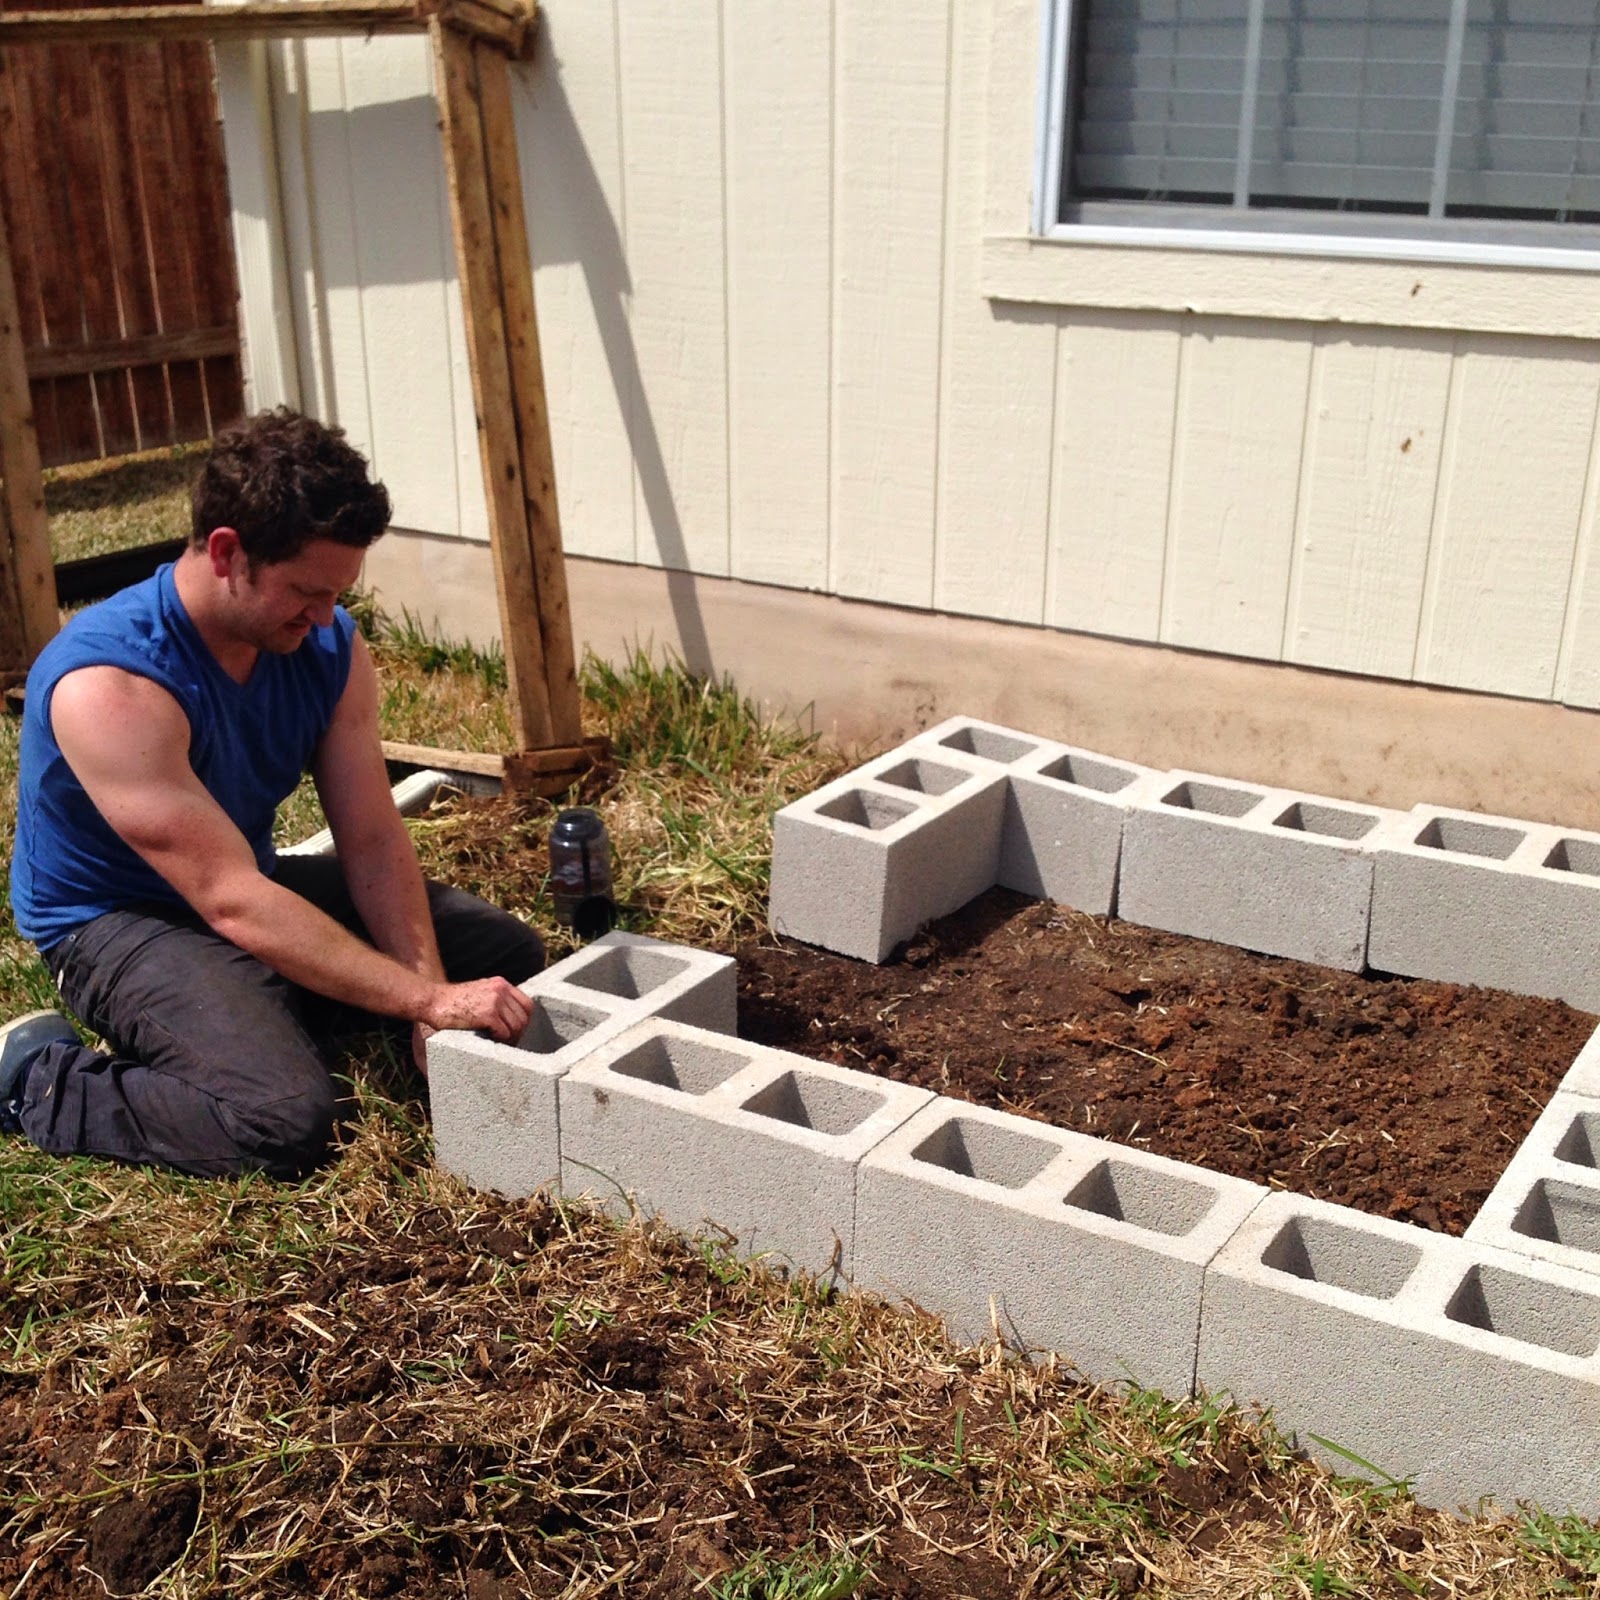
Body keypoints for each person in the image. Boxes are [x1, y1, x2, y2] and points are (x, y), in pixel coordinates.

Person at [0, 408, 541, 1178]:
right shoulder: (111, 684)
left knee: (507, 956)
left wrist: (428, 990)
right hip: (120, 921)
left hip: (247, 881)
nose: (326, 619)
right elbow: (228, 899)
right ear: (228, 552)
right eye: (306, 592)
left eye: (338, 595)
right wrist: (425, 1005)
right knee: (282, 1120)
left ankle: (267, 1006)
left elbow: (373, 837)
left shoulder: (324, 644)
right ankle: (34, 1079)